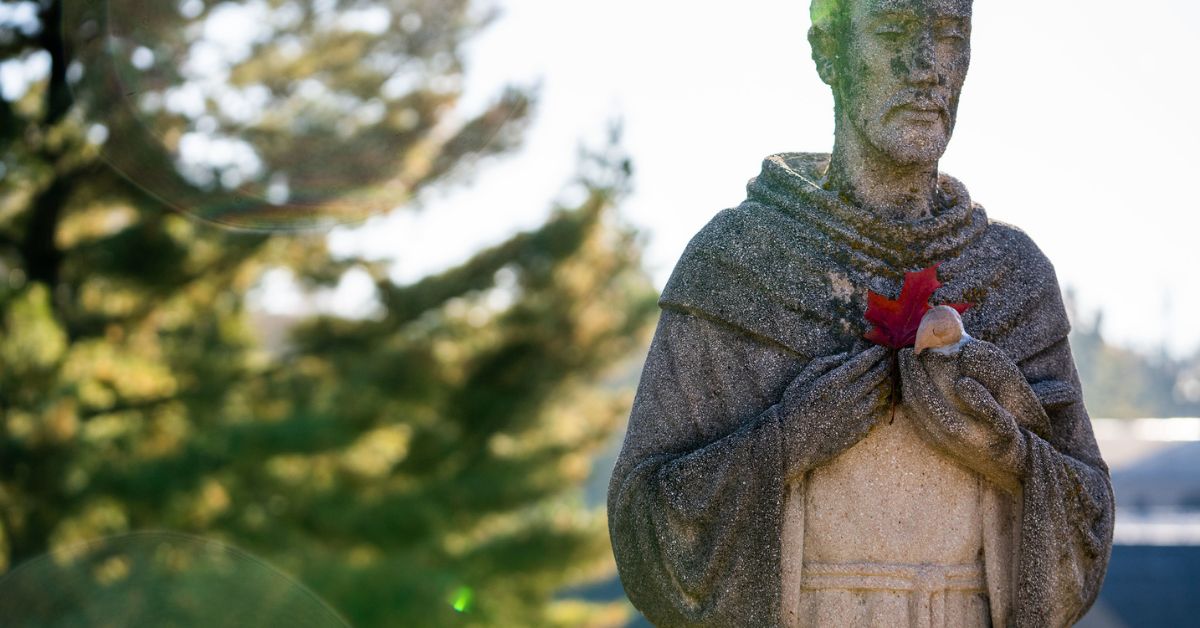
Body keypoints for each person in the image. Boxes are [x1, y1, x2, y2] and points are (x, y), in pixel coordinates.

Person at [606, 0, 1115, 626]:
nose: (926, 66)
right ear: (828, 51)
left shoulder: (1014, 279)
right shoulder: (742, 267)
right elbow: (643, 531)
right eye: (893, 30)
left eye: (950, 34)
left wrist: (1006, 449)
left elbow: (1089, 525)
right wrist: (787, 443)